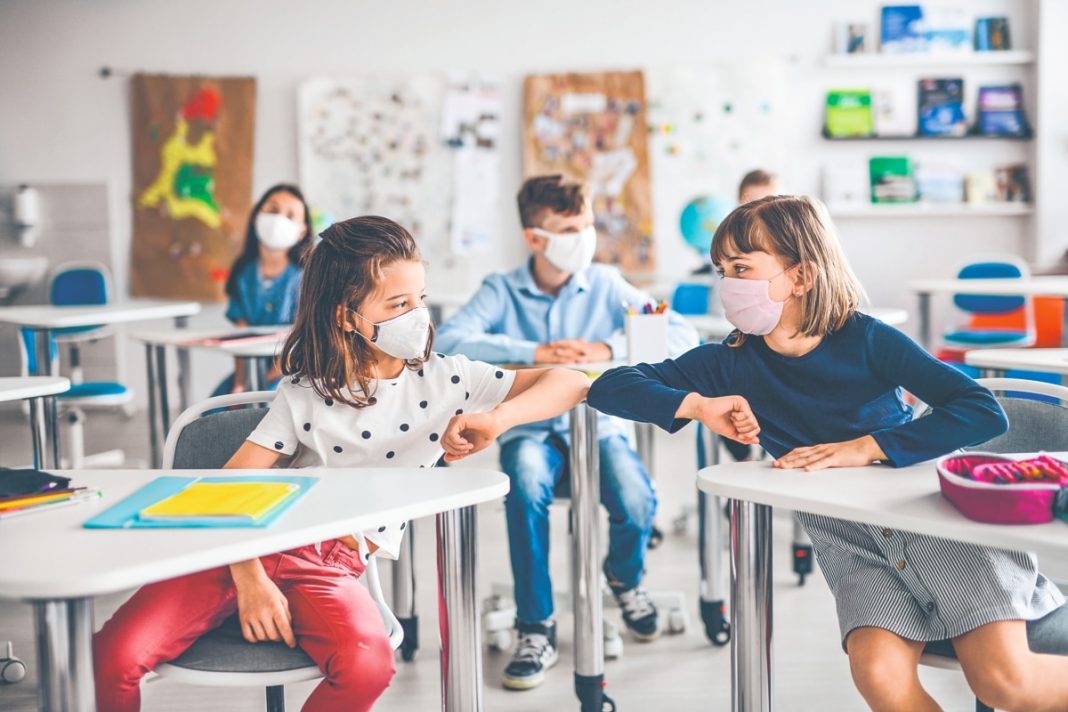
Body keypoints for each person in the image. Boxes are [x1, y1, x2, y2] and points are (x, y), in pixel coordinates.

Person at [588, 195, 1068, 712]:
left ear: (800, 276)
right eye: (723, 270)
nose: (727, 285)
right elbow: (613, 385)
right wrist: (697, 404)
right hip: (851, 544)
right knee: (880, 680)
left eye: (743, 268)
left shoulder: (866, 339)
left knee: (1001, 683)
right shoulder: (729, 361)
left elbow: (980, 410)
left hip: (933, 527)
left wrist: (867, 447)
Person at [93, 215, 591, 712]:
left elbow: (570, 381)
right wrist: (250, 580)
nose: (418, 315)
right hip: (252, 543)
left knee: (369, 664)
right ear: (345, 316)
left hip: (330, 564)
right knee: (112, 655)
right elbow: (230, 486)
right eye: (398, 305)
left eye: (419, 298)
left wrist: (498, 418)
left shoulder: (448, 381)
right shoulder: (305, 392)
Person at [435, 174, 699, 690]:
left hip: (600, 428)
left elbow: (680, 333)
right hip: (527, 429)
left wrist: (606, 347)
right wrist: (535, 352)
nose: (585, 235)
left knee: (638, 502)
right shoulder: (501, 289)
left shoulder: (605, 283)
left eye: (587, 224)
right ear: (535, 238)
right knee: (525, 486)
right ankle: (536, 625)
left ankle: (624, 578)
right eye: (569, 228)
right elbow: (450, 338)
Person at [213, 183, 313, 396]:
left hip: (292, 373)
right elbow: (241, 335)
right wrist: (241, 383)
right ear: (256, 216)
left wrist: (261, 385)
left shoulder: (307, 278)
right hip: (251, 372)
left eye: (290, 215)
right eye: (273, 210)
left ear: (302, 231)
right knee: (213, 414)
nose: (279, 219)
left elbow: (301, 340)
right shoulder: (243, 274)